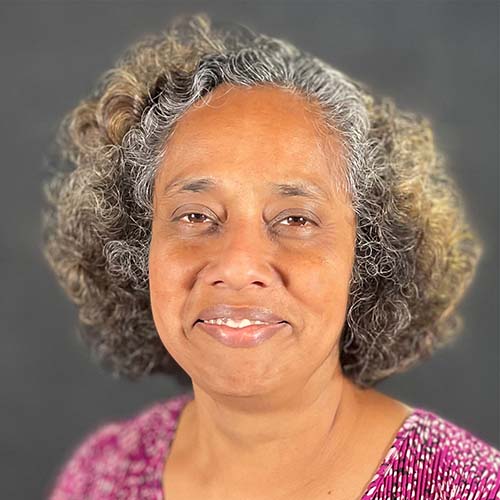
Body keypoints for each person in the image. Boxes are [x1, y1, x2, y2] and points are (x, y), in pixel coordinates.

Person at [44, 13, 499, 500]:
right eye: (195, 216)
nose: (238, 266)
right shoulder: (100, 477)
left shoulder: (471, 487)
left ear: (368, 258)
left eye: (295, 220)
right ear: (136, 248)